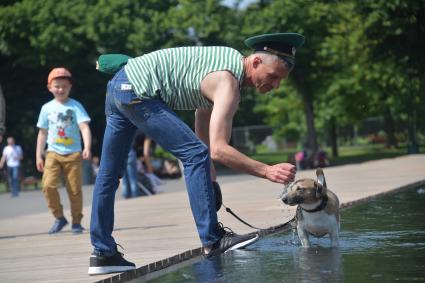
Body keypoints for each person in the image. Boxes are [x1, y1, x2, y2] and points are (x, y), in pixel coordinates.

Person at [89, 33, 302, 275]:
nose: (275, 85)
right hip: (138, 91)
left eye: (280, 81)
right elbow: (219, 150)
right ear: (255, 62)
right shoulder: (228, 82)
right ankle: (213, 240)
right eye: (273, 77)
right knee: (194, 154)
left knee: (109, 174)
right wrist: (266, 170)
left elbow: (204, 121)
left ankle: (103, 253)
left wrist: (209, 177)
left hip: (119, 85)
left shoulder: (221, 64)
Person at [36, 67, 92, 234]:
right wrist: (38, 154)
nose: (60, 89)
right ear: (50, 87)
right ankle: (59, 217)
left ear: (70, 87)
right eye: (57, 86)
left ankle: (76, 221)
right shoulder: (46, 108)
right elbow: (42, 132)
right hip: (52, 152)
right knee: (48, 186)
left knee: (74, 189)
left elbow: (84, 127)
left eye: (64, 86)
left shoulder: (76, 106)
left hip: (74, 152)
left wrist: (87, 147)